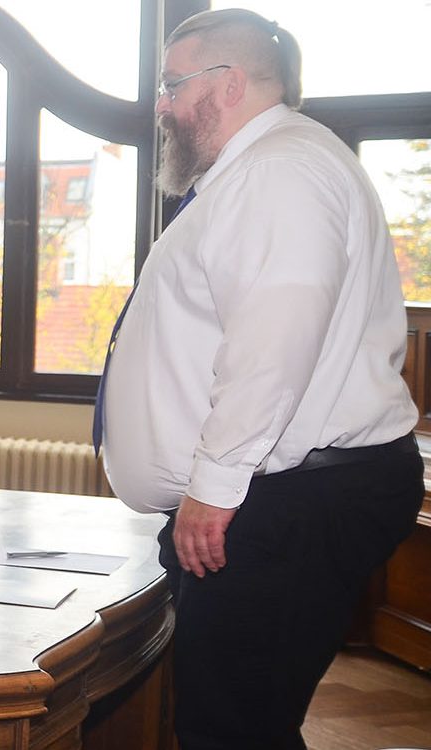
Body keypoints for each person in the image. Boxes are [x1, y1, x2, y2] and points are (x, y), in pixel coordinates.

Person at [98, 10, 422, 749]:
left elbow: (275, 339)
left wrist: (213, 490)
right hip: (278, 495)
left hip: (288, 498)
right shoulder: (258, 168)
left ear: (229, 83)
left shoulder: (280, 169)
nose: (162, 107)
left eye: (172, 85)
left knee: (233, 730)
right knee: (236, 719)